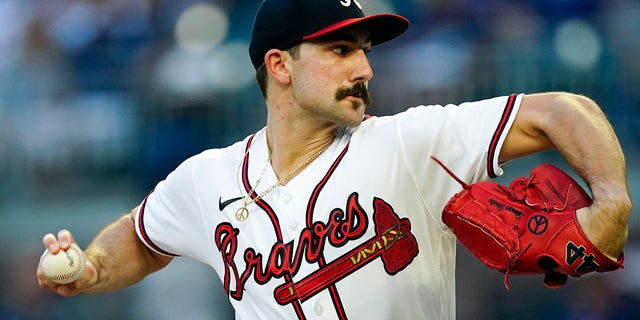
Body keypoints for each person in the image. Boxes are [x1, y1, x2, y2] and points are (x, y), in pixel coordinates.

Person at [37, 1, 632, 319]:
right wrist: (90, 268)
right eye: (341, 49)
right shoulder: (206, 178)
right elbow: (142, 236)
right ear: (280, 66)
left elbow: (561, 108)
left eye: (365, 51)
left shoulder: (410, 141)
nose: (364, 68)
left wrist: (612, 201)